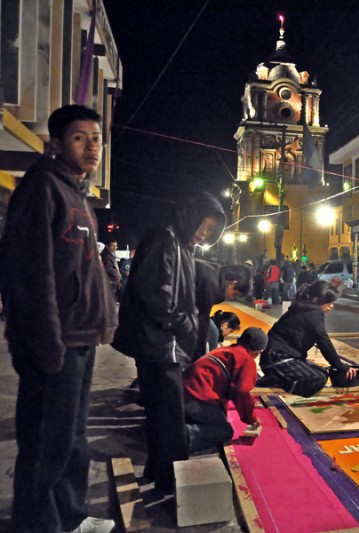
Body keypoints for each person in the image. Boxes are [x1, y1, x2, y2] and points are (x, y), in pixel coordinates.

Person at [0, 105, 118, 533]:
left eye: (97, 138)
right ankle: (38, 525)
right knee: (45, 446)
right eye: (79, 138)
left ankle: (70, 516)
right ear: (56, 144)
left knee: (71, 440)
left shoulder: (76, 193)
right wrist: (46, 345)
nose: (91, 147)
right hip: (57, 343)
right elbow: (32, 275)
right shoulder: (42, 189)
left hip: (81, 340)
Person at [111, 191, 226, 491]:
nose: (204, 234)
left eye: (211, 231)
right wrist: (183, 324)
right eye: (204, 226)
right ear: (192, 215)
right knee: (170, 419)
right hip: (160, 344)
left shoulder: (182, 245)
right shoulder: (165, 238)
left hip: (165, 343)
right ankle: (173, 485)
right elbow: (155, 294)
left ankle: (158, 472)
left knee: (163, 416)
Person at [257, 280, 358, 397]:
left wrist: (339, 366)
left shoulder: (304, 307)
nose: (331, 305)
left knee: (322, 373)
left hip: (279, 356)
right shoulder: (313, 313)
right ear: (318, 300)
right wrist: (341, 366)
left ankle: (277, 378)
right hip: (276, 358)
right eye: (329, 302)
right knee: (317, 378)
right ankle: (275, 381)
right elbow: (323, 341)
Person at [184, 327, 268, 453]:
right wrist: (251, 418)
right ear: (257, 351)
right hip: (197, 398)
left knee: (215, 416)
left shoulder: (225, 350)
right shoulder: (246, 360)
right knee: (224, 430)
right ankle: (183, 437)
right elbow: (241, 392)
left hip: (181, 393)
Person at [194, 260, 252, 359]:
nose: (232, 298)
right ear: (233, 284)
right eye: (235, 294)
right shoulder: (210, 283)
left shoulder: (213, 271)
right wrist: (200, 356)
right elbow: (202, 318)